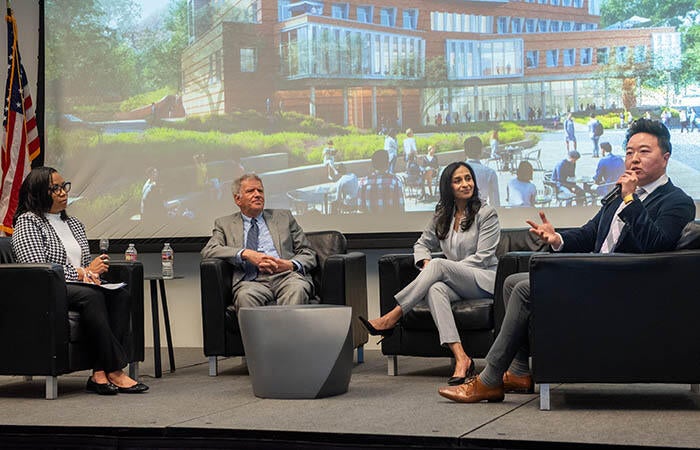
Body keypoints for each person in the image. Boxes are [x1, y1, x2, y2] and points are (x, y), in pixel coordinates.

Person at [438, 118, 695, 403]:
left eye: (644, 152)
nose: (634, 159)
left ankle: (488, 380)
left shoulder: (676, 201)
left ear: (666, 157)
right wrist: (557, 238)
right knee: (512, 282)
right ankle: (520, 372)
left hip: (630, 289)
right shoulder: (618, 196)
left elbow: (656, 245)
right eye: (630, 152)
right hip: (600, 278)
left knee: (525, 288)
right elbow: (589, 235)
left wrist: (631, 200)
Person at [359, 161, 500, 385]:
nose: (465, 184)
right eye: (458, 180)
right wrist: (426, 262)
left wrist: (441, 269)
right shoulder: (442, 214)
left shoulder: (487, 213)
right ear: (448, 187)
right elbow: (421, 244)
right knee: (435, 287)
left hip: (483, 280)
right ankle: (461, 358)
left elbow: (483, 257)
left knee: (439, 267)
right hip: (455, 282)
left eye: (468, 178)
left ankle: (392, 316)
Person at [11, 167, 148, 395]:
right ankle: (115, 369)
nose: (63, 192)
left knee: (119, 295)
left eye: (64, 186)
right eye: (54, 188)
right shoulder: (28, 222)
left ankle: (99, 373)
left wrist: (92, 274)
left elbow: (83, 263)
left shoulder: (74, 224)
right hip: (45, 291)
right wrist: (82, 273)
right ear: (37, 193)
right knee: (91, 296)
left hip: (75, 287)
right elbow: (37, 267)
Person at [201, 174, 317, 311]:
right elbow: (209, 250)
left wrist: (289, 264)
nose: (257, 195)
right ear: (237, 199)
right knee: (245, 296)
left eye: (260, 191)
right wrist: (246, 253)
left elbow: (307, 252)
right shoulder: (224, 224)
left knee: (297, 289)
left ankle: (287, 333)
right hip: (251, 281)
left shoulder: (284, 217)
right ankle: (257, 334)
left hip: (287, 277)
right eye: (250, 191)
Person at [464, 136, 500, 207]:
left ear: (465, 151)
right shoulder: (490, 173)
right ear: (481, 151)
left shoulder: (454, 171)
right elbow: (495, 203)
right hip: (480, 213)